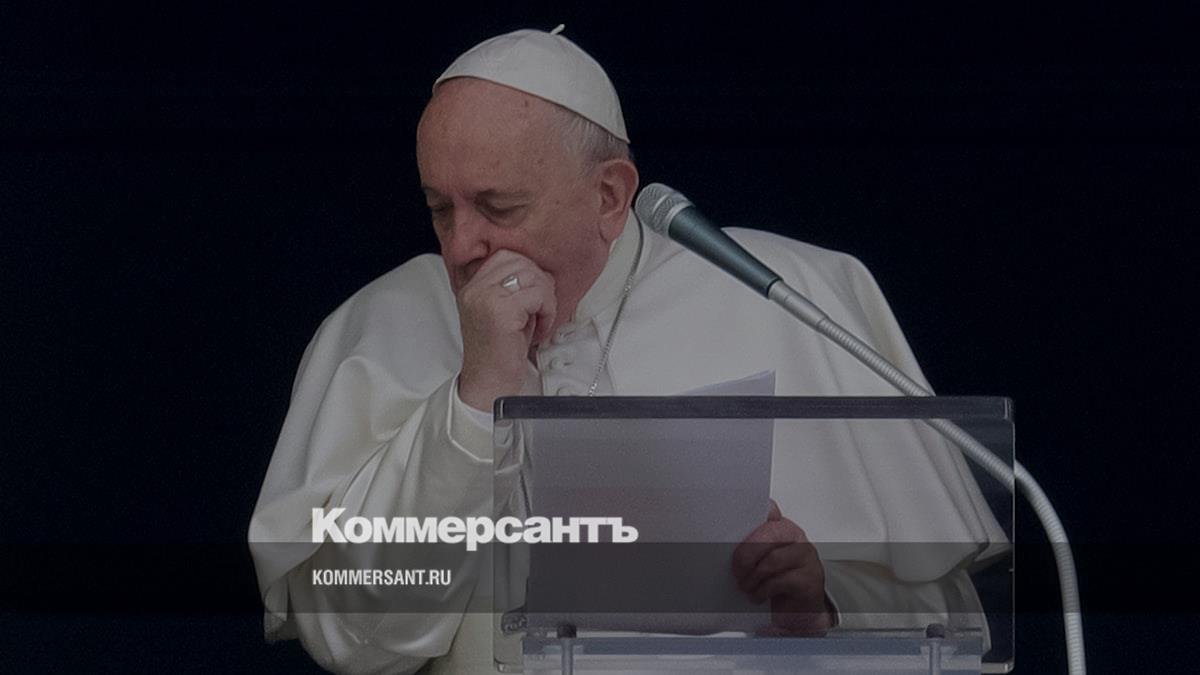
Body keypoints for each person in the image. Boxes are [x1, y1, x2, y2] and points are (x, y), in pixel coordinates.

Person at [249, 28, 1007, 675]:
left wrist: (824, 606)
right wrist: (474, 399)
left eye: (498, 207)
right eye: (439, 209)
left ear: (610, 196)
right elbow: (350, 636)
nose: (462, 246)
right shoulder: (381, 322)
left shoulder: (785, 292)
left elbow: (949, 617)